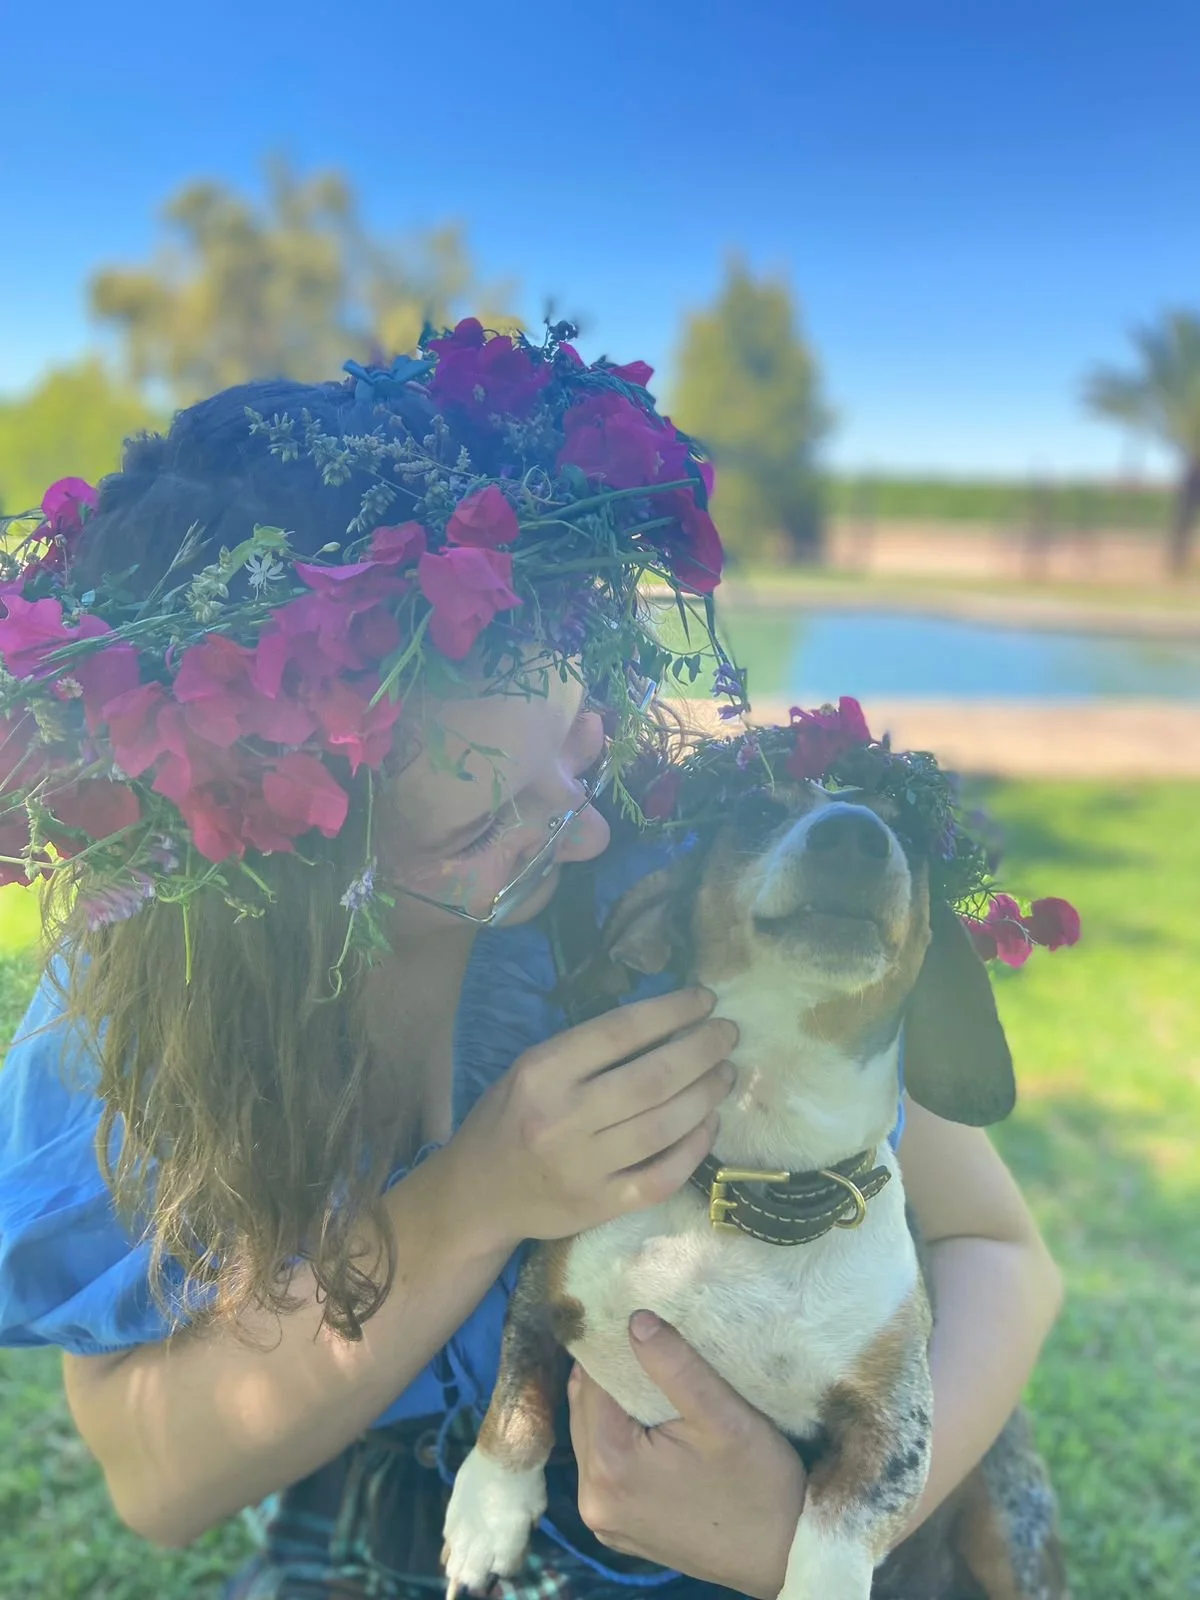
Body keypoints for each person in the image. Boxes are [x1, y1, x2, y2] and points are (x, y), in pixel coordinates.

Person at [0, 321, 1063, 1600]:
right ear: (278, 862)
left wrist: (808, 1539)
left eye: (577, 737)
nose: (598, 823)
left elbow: (1000, 1250)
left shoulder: (677, 885)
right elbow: (152, 1476)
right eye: (489, 821)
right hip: (407, 1532)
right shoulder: (134, 1026)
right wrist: (480, 1195)